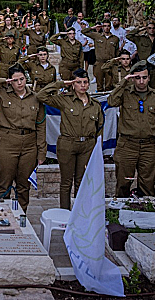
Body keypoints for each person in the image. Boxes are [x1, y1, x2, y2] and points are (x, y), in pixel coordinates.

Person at [0, 63, 45, 212]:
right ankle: (2, 216)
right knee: (4, 183)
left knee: (23, 185)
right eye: (15, 80)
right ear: (10, 81)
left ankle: (21, 216)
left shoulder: (35, 98)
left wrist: (41, 152)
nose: (20, 83)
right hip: (7, 144)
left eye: (22, 79)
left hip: (29, 145)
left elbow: (41, 126)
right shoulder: (2, 95)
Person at [37, 70, 103, 209]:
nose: (83, 85)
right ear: (73, 84)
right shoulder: (65, 100)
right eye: (78, 82)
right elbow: (41, 95)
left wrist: (97, 148)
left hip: (87, 145)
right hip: (68, 144)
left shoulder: (95, 104)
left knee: (82, 181)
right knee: (66, 182)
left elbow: (99, 127)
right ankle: (65, 213)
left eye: (85, 82)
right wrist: (61, 83)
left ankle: (79, 213)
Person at [108, 61, 155, 198]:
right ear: (133, 78)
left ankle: (146, 216)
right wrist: (124, 81)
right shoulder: (125, 93)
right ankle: (122, 214)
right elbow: (111, 101)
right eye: (137, 77)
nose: (141, 81)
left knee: (148, 184)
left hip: (149, 146)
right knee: (123, 183)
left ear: (149, 78)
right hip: (127, 145)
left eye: (144, 77)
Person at [82, 20, 121, 91]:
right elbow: (84, 31)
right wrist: (93, 27)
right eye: (105, 26)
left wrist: (116, 64)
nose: (106, 28)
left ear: (110, 27)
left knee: (109, 85)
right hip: (99, 62)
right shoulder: (97, 36)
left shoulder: (115, 39)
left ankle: (108, 101)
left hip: (110, 63)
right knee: (99, 84)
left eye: (108, 26)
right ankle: (100, 101)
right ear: (102, 27)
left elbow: (117, 52)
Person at [126, 22, 155, 89]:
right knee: (142, 87)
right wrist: (140, 29)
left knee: (153, 89)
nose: (151, 30)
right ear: (147, 29)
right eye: (149, 28)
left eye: (153, 28)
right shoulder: (141, 39)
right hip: (143, 67)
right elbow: (128, 36)